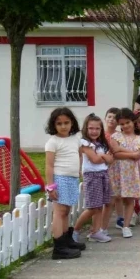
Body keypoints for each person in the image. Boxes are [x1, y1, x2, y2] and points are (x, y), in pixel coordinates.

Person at [44, 108, 84, 259]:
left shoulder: (75, 139)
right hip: (60, 179)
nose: (63, 126)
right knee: (59, 212)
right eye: (59, 123)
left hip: (72, 178)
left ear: (72, 123)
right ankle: (59, 247)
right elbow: (49, 166)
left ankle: (67, 240)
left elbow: (79, 155)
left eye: (66, 122)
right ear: (53, 125)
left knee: (66, 211)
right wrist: (50, 186)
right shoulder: (52, 142)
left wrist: (79, 170)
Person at [73, 114, 113, 244]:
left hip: (103, 174)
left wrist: (103, 156)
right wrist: (104, 156)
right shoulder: (85, 143)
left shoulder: (101, 143)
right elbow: (95, 160)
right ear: (86, 128)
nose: (94, 131)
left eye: (97, 128)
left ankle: (96, 232)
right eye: (91, 128)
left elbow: (111, 160)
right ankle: (75, 230)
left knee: (99, 206)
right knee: (92, 207)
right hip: (92, 176)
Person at [109, 108, 140, 238]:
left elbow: (138, 155)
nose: (125, 126)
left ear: (133, 121)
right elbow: (115, 154)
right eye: (122, 124)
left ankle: (126, 226)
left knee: (129, 200)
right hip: (117, 172)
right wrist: (132, 154)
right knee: (113, 198)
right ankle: (103, 227)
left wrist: (123, 150)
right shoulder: (116, 136)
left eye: (127, 122)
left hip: (131, 173)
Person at [101, 107, 120, 236]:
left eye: (115, 118)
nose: (112, 119)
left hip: (116, 168)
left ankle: (119, 219)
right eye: (110, 117)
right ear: (105, 118)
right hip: (102, 167)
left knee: (116, 196)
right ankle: (100, 226)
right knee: (105, 199)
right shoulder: (100, 134)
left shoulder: (119, 136)